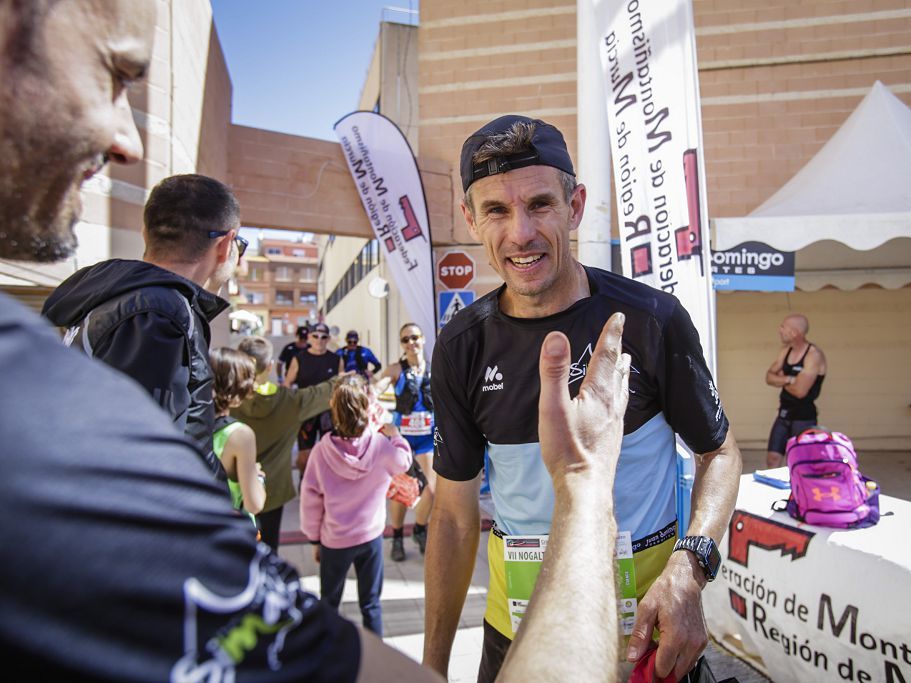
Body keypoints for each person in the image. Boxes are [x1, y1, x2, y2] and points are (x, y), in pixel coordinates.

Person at [0, 1, 633, 678]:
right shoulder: (150, 321)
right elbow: (136, 501)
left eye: (539, 204)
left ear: (574, 206)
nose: (126, 137)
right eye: (115, 73)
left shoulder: (82, 326)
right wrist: (585, 485)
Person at [424, 115, 743, 682]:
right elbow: (452, 517)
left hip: (647, 632)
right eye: (496, 210)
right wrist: (432, 667)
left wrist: (689, 568)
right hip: (519, 631)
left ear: (575, 207)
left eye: (540, 204)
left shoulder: (652, 319)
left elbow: (719, 453)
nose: (520, 232)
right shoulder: (461, 346)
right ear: (471, 220)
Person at [41, 173, 244, 479]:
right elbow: (146, 466)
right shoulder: (157, 313)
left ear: (145, 234)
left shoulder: (136, 300)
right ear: (226, 245)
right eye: (241, 242)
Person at [301, 376, 413, 636]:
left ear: (333, 409)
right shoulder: (381, 446)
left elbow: (310, 500)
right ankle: (376, 664)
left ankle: (327, 658)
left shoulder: (321, 452)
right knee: (371, 604)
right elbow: (404, 461)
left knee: (329, 603)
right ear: (366, 408)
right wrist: (396, 436)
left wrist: (314, 539)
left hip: (334, 541)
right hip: (370, 538)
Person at [234, 335, 341, 552]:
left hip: (232, 493)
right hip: (272, 493)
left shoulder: (225, 399)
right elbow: (321, 393)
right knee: (268, 550)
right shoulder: (289, 402)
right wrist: (346, 379)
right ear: (271, 366)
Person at [376, 322, 435, 562]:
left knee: (431, 490)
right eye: (405, 340)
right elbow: (377, 387)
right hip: (403, 440)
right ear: (402, 345)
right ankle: (397, 536)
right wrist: (369, 389)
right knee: (400, 491)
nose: (411, 343)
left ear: (422, 339)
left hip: (428, 439)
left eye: (414, 338)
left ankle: (420, 529)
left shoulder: (435, 368)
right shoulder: (395, 370)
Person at [210, 347, 266, 526]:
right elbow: (254, 504)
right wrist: (258, 477)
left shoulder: (180, 423)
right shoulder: (240, 435)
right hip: (228, 535)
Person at [764, 314, 827, 468]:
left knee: (799, 461)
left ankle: (797, 491)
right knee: (772, 458)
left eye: (783, 327)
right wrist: (790, 379)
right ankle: (775, 492)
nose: (780, 330)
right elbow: (768, 377)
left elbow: (800, 391)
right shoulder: (786, 351)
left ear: (795, 332)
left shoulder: (813, 355)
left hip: (804, 417)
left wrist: (781, 379)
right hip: (784, 413)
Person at [286, 321, 344, 477]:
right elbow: (287, 384)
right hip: (306, 412)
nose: (319, 340)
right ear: (309, 337)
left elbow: (342, 386)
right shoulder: (299, 359)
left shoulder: (336, 360)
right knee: (305, 455)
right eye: (316, 336)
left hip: (329, 412)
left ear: (328, 339)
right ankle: (305, 482)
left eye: (324, 337)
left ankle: (329, 484)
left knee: (332, 451)